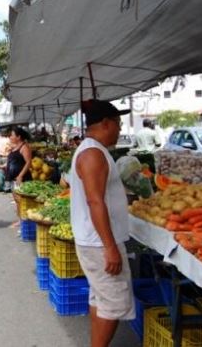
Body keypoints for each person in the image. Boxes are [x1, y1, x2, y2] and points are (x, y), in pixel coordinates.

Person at [70, 100, 135, 347]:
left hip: (95, 240)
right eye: (118, 124)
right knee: (114, 302)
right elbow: (95, 202)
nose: (119, 130)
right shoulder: (92, 153)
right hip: (99, 243)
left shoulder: (93, 150)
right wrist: (110, 247)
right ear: (106, 123)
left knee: (101, 299)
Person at [6, 126, 32, 228]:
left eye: (12, 135)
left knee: (21, 200)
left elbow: (28, 162)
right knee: (17, 200)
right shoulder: (15, 146)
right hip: (13, 178)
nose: (10, 137)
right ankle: (20, 219)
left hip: (22, 179)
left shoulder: (24, 147)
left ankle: (24, 221)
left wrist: (20, 175)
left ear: (18, 136)